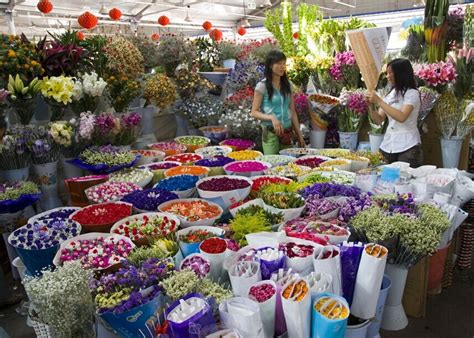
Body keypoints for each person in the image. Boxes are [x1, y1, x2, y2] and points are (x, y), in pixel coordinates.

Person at [366, 58, 422, 167]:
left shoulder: (412, 94)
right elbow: (378, 120)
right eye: (386, 73)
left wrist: (379, 101)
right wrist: (370, 105)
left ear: (401, 73)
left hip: (408, 145)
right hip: (388, 144)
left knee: (404, 179)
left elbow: (402, 117)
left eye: (390, 73)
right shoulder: (391, 94)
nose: (387, 76)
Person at [251, 50, 305, 155]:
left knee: (288, 164)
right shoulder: (262, 86)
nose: (282, 67)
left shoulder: (288, 85)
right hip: (270, 132)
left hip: (287, 132)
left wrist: (299, 135)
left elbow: (292, 111)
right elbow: (254, 112)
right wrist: (272, 117)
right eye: (279, 63)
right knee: (272, 163)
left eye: (284, 63)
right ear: (271, 65)